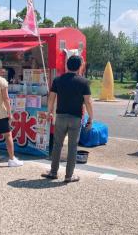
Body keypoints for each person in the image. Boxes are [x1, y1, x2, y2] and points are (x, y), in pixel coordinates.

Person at [42, 55, 93, 183]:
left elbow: (52, 98)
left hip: (60, 117)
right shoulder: (84, 82)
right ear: (80, 66)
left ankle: (53, 172)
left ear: (66, 65)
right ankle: (69, 175)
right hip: (75, 118)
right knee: (72, 147)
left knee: (57, 145)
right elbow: (88, 102)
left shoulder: (58, 80)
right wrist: (91, 118)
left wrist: (49, 112)